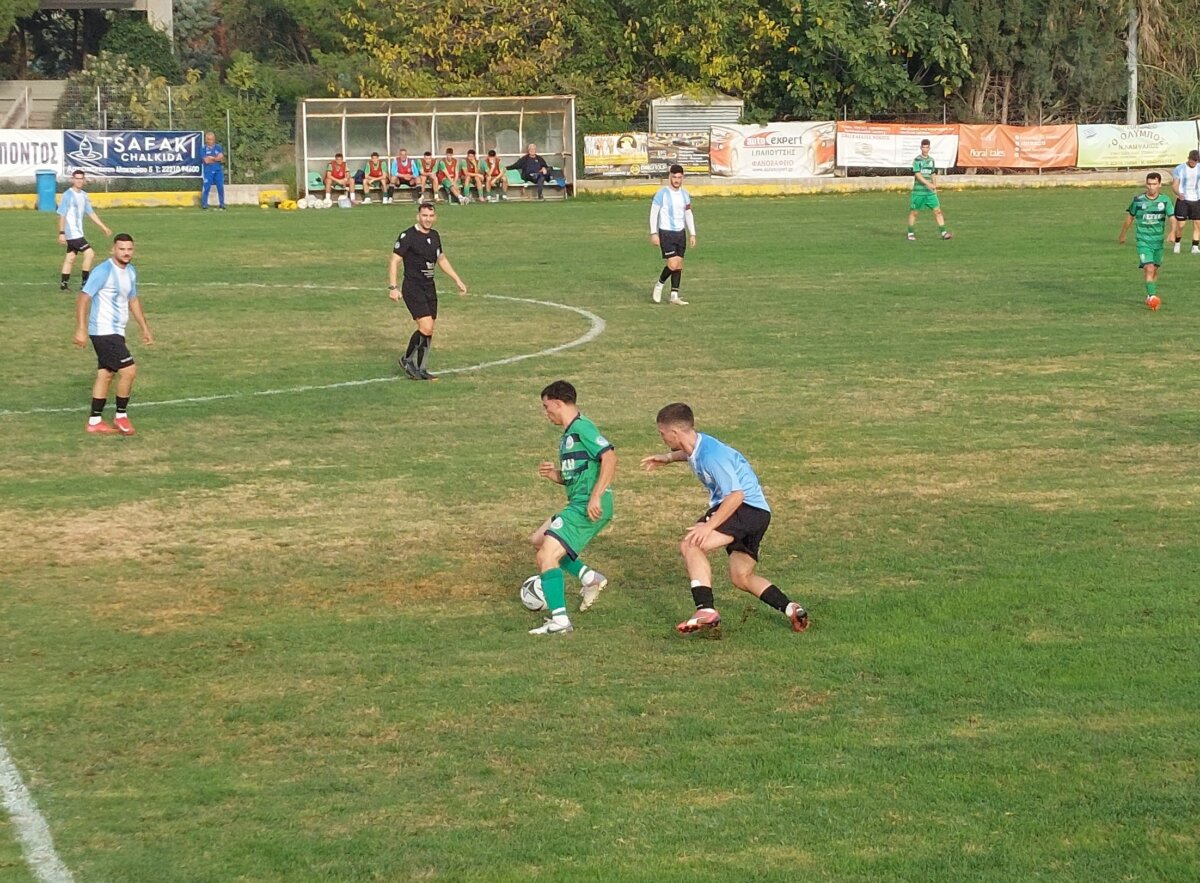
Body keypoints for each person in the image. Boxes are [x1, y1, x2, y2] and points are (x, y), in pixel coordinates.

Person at [641, 402, 809, 635]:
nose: (661, 437)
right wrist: (668, 458)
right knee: (741, 576)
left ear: (675, 432)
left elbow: (736, 495)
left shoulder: (711, 456)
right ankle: (791, 609)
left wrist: (709, 526)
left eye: (662, 433)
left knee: (691, 545)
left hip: (743, 507)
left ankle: (705, 610)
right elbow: (690, 454)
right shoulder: (699, 445)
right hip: (759, 513)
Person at [528, 380, 616, 635]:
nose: (546, 413)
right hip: (578, 502)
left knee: (547, 556)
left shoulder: (582, 428)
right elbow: (573, 476)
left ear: (557, 402)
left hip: (587, 506)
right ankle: (589, 577)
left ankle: (560, 621)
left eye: (546, 407)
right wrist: (553, 474)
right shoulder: (568, 436)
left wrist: (596, 496)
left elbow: (609, 456)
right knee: (538, 540)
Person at [73, 233, 153, 436]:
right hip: (102, 330)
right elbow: (83, 298)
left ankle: (95, 421)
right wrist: (81, 329)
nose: (126, 253)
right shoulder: (103, 271)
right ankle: (121, 416)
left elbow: (133, 300)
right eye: (121, 249)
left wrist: (144, 327)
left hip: (117, 331)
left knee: (106, 374)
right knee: (129, 370)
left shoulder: (131, 271)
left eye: (129, 249)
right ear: (113, 249)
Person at [387, 202, 468, 380]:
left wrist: (457, 279)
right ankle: (407, 359)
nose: (428, 219)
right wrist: (393, 287)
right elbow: (394, 261)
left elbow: (441, 259)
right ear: (418, 216)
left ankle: (422, 369)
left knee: (429, 330)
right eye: (424, 215)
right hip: (413, 287)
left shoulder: (435, 236)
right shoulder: (408, 236)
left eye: (431, 216)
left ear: (435, 217)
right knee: (426, 326)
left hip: (429, 287)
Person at [1119, 171, 1174, 310]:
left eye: (1154, 184)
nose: (1151, 187)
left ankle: (1150, 296)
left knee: (1154, 270)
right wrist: (1123, 234)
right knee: (1149, 268)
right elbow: (1130, 217)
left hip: (1158, 242)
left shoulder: (1165, 200)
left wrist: (1173, 232)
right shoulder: (1138, 200)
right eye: (1149, 184)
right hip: (1143, 241)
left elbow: (1172, 218)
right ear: (1146, 184)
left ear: (1160, 184)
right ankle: (1152, 296)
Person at [56, 169, 112, 292]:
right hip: (72, 232)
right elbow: (62, 214)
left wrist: (103, 226)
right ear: (72, 179)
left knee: (70, 257)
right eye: (77, 178)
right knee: (89, 253)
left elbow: (90, 212)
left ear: (84, 180)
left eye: (81, 179)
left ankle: (64, 285)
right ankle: (85, 283)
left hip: (78, 232)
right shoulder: (67, 195)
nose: (79, 181)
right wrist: (61, 233)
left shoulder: (84, 195)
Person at [649, 163, 696, 305]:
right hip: (666, 232)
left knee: (679, 264)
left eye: (679, 177)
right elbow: (653, 213)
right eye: (674, 177)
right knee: (673, 263)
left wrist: (692, 233)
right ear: (670, 177)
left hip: (680, 233)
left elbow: (688, 213)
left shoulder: (685, 194)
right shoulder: (661, 194)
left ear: (682, 178)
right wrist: (653, 232)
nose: (676, 180)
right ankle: (659, 284)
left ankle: (674, 295)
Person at [907, 138, 952, 241]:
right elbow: (917, 174)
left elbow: (932, 174)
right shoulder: (917, 160)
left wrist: (934, 186)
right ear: (921, 148)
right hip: (919, 192)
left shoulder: (931, 160)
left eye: (927, 147)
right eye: (924, 147)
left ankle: (944, 233)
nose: (925, 149)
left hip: (929, 193)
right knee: (914, 212)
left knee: (938, 211)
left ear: (929, 148)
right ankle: (910, 233)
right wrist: (928, 184)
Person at [1170, 149, 1200, 254]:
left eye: (1196, 161)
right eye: (1192, 161)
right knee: (1181, 225)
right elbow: (1174, 184)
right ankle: (1177, 243)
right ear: (1188, 158)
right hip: (1183, 199)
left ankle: (1195, 246)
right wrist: (1179, 194)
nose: (1194, 163)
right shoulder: (1180, 168)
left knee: (1197, 224)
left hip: (1197, 199)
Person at [200, 131, 226, 210]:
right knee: (206, 188)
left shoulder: (218, 147)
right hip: (208, 171)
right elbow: (206, 161)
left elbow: (221, 158)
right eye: (209, 139)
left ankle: (222, 204)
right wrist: (216, 158)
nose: (211, 141)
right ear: (206, 140)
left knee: (220, 187)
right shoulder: (203, 149)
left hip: (218, 171)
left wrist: (212, 158)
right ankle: (204, 205)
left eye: (212, 139)